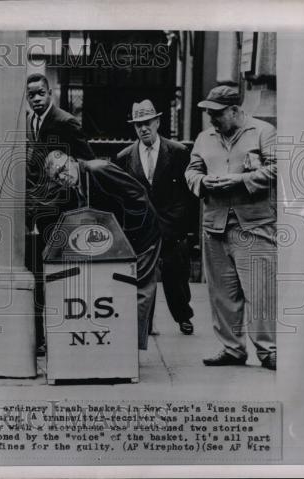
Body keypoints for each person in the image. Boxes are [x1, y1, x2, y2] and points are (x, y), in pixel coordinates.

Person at [185, 85, 277, 370]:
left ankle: (268, 351)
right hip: (215, 224)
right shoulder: (204, 138)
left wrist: (238, 181)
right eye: (209, 114)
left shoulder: (263, 132)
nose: (212, 120)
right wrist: (201, 183)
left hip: (254, 225)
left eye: (217, 114)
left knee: (260, 290)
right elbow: (192, 169)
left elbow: (277, 168)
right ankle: (232, 348)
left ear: (236, 110)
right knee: (222, 293)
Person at [44, 151, 161, 351]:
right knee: (124, 289)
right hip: (121, 241)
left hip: (141, 236)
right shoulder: (79, 182)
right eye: (57, 177)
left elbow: (138, 195)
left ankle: (130, 348)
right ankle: (125, 341)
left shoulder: (98, 169)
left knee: (138, 288)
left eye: (63, 169)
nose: (63, 177)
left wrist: (125, 235)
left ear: (72, 160)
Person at [25, 73, 95, 355]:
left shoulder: (66, 121)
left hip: (60, 212)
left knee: (58, 274)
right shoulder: (31, 122)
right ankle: (41, 338)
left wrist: (66, 169)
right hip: (36, 212)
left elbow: (88, 160)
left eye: (41, 93)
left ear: (50, 92)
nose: (37, 99)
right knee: (38, 274)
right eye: (31, 95)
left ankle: (59, 335)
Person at [114, 99, 195, 336]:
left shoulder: (178, 152)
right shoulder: (125, 156)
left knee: (176, 275)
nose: (143, 128)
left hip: (172, 225)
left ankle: (183, 316)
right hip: (141, 227)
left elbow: (187, 193)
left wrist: (179, 223)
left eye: (147, 123)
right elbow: (121, 195)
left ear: (158, 122)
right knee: (142, 277)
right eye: (138, 124)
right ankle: (144, 322)